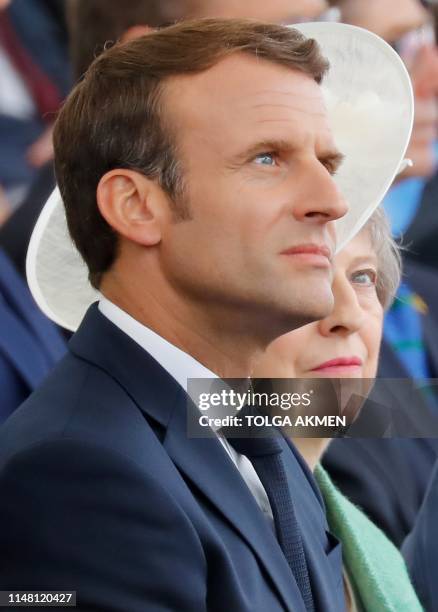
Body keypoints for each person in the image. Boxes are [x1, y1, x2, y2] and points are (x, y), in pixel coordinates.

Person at [0, 19, 413, 611]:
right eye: (269, 158)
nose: (333, 200)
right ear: (136, 206)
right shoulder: (74, 471)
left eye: (327, 161)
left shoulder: (259, 437)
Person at [0, 0, 330, 281]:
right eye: (289, 32)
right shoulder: (57, 264)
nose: (319, 60)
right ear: (142, 62)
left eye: (327, 23)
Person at [254, 208, 423, 611]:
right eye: (304, 272)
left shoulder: (371, 547)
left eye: (362, 276)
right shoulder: (166, 499)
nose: (346, 315)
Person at [324, 0, 438, 547]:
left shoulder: (420, 293)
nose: (432, 75)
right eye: (394, 52)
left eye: (425, 39)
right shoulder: (246, 348)